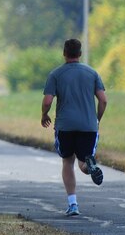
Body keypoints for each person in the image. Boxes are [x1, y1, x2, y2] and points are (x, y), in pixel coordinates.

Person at [41, 38, 107, 216]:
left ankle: (73, 204)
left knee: (67, 162)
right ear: (80, 53)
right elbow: (103, 99)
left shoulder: (56, 74)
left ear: (64, 53)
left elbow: (47, 101)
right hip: (88, 125)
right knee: (84, 162)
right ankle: (91, 167)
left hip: (65, 126)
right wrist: (97, 118)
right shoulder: (92, 73)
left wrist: (44, 114)